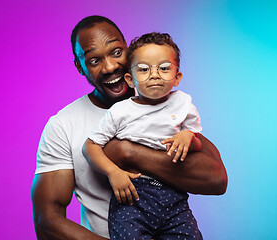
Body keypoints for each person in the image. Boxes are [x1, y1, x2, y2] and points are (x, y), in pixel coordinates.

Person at [31, 15, 227, 240]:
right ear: (80, 67)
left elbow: (216, 179)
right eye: (94, 60)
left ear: (129, 50)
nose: (110, 66)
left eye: (116, 52)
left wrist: (129, 153)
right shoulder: (63, 126)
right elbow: (47, 221)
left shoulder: (165, 102)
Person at [83, 32, 204, 239]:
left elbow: (197, 144)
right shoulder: (121, 111)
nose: (155, 75)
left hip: (174, 196)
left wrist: (188, 137)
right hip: (134, 195)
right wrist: (113, 172)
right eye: (144, 69)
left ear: (177, 77)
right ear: (130, 79)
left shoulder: (183, 104)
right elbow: (90, 146)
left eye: (164, 68)